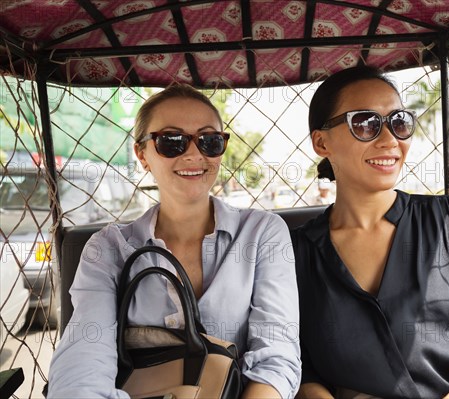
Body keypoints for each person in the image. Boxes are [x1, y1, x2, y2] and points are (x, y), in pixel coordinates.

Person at [47, 85, 301, 398]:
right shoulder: (109, 249)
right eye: (172, 142)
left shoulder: (262, 233)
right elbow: (84, 361)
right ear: (142, 154)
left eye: (209, 141)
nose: (194, 154)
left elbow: (276, 355)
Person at [292, 66, 449, 399]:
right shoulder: (299, 251)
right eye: (365, 123)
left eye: (398, 122)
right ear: (322, 142)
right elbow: (297, 359)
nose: (389, 141)